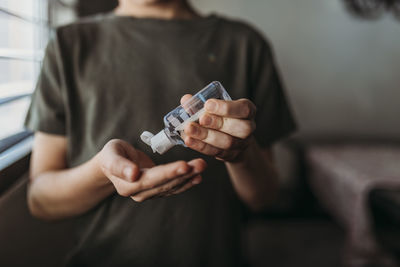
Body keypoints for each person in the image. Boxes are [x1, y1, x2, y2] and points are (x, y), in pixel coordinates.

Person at [25, 0, 296, 266]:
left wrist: (240, 155)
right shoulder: (68, 44)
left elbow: (265, 197)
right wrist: (103, 172)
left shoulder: (244, 44)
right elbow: (40, 201)